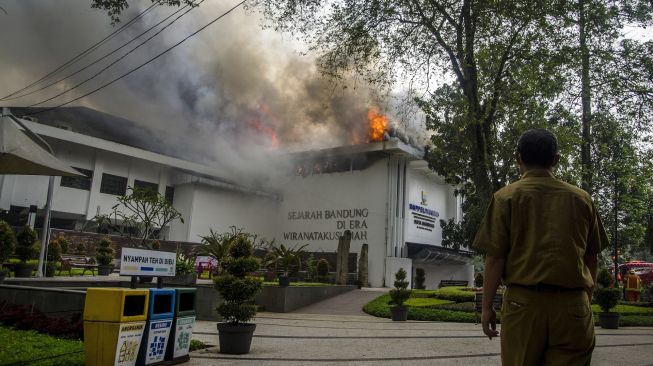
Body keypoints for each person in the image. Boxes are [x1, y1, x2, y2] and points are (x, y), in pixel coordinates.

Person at [472, 128, 610, 365]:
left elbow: (495, 259)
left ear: (518, 158)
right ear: (556, 159)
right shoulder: (581, 199)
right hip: (572, 308)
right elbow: (592, 257)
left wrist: (487, 308)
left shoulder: (506, 198)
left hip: (523, 307)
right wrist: (583, 299)